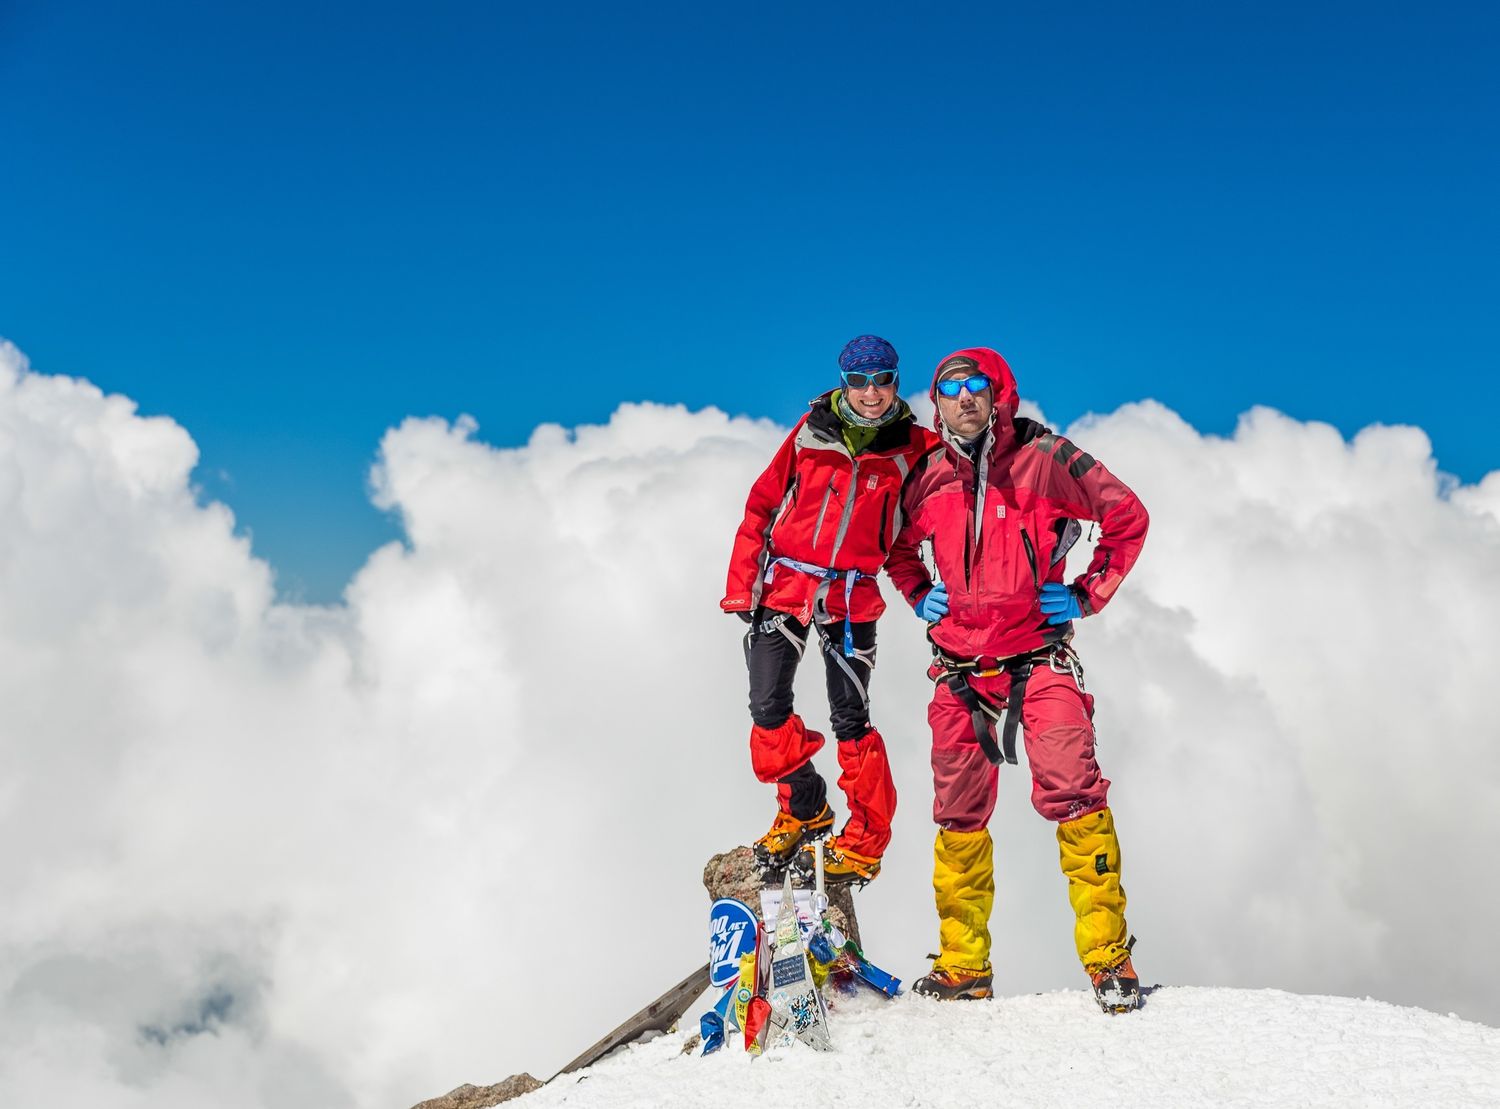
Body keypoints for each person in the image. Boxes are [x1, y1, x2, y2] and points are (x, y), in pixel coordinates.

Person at [886, 346, 1150, 1012]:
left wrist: (1089, 593)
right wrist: (919, 592)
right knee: (958, 816)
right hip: (958, 671)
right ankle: (962, 966)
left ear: (1000, 394)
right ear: (936, 401)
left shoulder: (1046, 458)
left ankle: (1109, 960)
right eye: (950, 388)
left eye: (977, 385)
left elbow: (1126, 515)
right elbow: (893, 544)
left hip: (1038, 659)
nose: (965, 397)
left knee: (1076, 794)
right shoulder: (926, 475)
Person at [722, 336, 938, 885]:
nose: (872, 392)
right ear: (845, 382)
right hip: (787, 584)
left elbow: (967, 473)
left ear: (895, 381)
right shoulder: (809, 431)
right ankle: (804, 808)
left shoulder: (916, 448)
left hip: (853, 593)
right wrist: (741, 583)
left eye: (882, 379)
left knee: (852, 719)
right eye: (860, 381)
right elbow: (762, 503)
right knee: (766, 705)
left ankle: (865, 842)